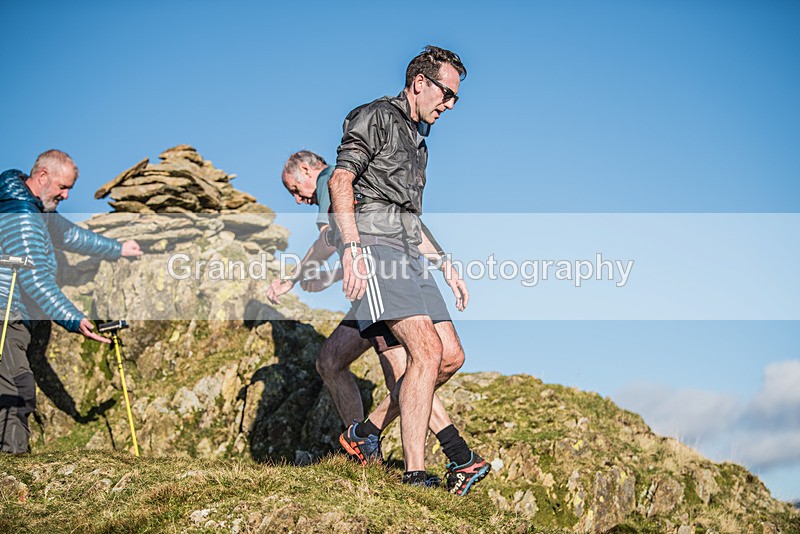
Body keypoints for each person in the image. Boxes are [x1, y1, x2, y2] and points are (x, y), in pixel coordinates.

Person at [268, 151, 484, 488]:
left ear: (308, 169)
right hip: (386, 276)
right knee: (330, 360)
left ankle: (389, 441)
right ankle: (372, 450)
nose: (298, 199)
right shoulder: (367, 180)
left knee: (409, 368)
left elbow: (331, 236)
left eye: (294, 188)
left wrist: (294, 278)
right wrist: (328, 276)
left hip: (380, 282)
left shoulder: (328, 180)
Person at [329, 46, 490, 494]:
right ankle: (416, 474)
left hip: (408, 251)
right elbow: (339, 181)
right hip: (376, 248)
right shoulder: (375, 116)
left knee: (451, 355)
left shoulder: (420, 144)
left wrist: (446, 264)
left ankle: (367, 431)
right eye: (446, 93)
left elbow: (410, 219)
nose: (450, 104)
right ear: (420, 82)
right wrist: (352, 249)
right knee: (424, 350)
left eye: (456, 98)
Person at [0, 149, 142, 453]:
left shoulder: (36, 208)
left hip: (14, 314)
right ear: (42, 177)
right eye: (63, 187)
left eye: (69, 189)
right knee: (15, 392)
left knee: (16, 388)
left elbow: (71, 236)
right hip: (4, 313)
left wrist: (117, 249)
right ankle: (12, 472)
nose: (65, 195)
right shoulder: (22, 214)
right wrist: (74, 319)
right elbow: (35, 278)